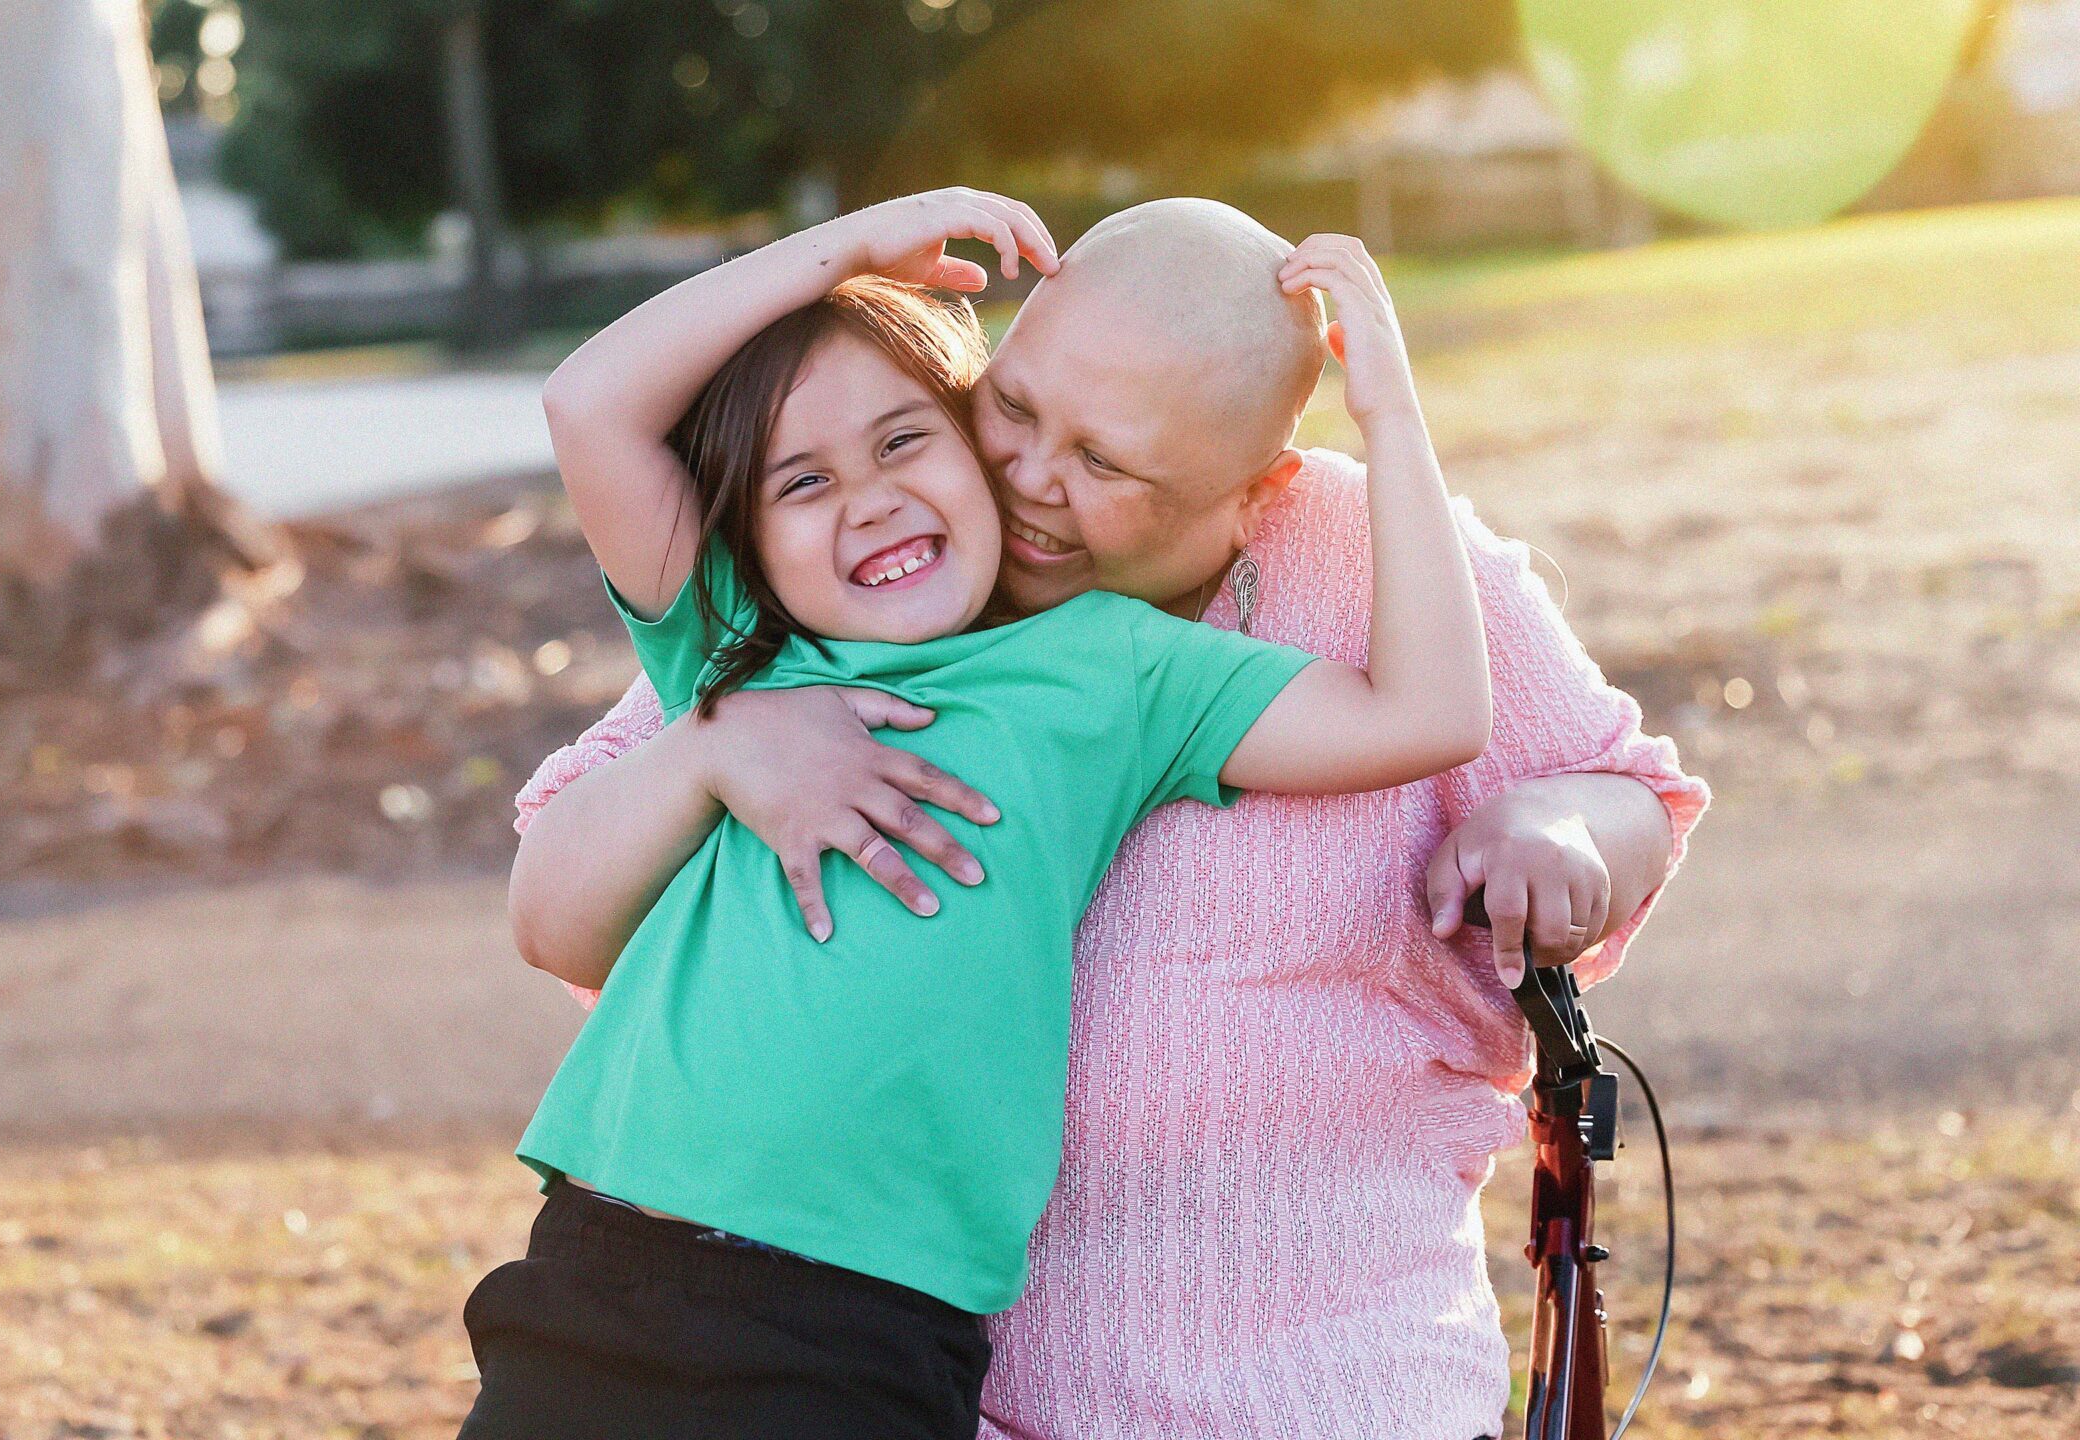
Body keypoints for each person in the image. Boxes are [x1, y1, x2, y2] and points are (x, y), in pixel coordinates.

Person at [509, 198, 1711, 1440]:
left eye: (1106, 464)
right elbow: (560, 909)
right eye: (1013, 408)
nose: (1027, 479)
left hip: (1328, 1393)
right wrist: (717, 743)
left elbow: (1601, 779)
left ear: (1255, 488)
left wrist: (1560, 826)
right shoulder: (831, 576)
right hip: (811, 1337)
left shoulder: (1270, 592)